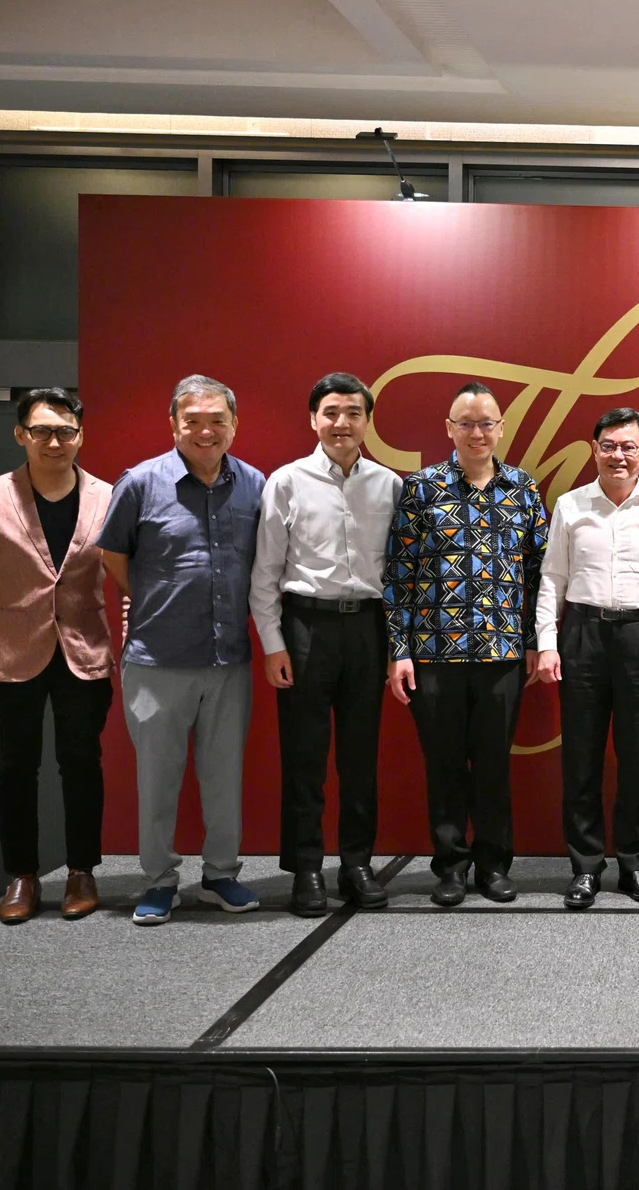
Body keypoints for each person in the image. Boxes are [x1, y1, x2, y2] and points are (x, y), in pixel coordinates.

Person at [96, 374, 265, 925]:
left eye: (218, 420)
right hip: (157, 658)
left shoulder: (255, 485)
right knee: (158, 777)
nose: (206, 430)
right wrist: (151, 602)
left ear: (234, 425)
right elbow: (113, 556)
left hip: (228, 658)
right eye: (193, 420)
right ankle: (159, 880)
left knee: (223, 776)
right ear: (174, 425)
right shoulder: (141, 483)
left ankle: (221, 874)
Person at [0, 388, 115, 923]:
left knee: (82, 765)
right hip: (10, 654)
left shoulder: (107, 497)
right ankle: (20, 876)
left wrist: (129, 648)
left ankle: (81, 871)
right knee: (15, 768)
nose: (54, 441)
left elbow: (129, 581)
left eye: (65, 431)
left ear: (80, 436)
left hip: (84, 653)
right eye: (41, 430)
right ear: (20, 435)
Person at [384, 381, 548, 908]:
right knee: (445, 763)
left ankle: (494, 865)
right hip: (434, 654)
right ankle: (451, 866)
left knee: (495, 764)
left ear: (501, 427)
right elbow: (398, 574)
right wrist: (399, 649)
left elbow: (539, 573)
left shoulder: (523, 488)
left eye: (486, 423)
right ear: (449, 429)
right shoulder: (422, 488)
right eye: (466, 423)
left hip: (502, 654)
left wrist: (532, 641)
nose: (477, 433)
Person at [249, 373, 400, 918]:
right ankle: (307, 868)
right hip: (305, 627)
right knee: (305, 757)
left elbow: (398, 574)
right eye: (331, 412)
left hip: (367, 627)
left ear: (367, 421)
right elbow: (265, 571)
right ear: (313, 419)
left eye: (354, 413)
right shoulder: (286, 482)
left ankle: (356, 862)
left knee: (361, 756)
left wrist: (393, 647)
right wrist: (273, 643)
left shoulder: (389, 484)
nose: (342, 423)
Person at [533, 407, 639, 909]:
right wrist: (548, 643)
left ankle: (636, 865)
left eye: (628, 446)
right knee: (582, 757)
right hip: (583, 634)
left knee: (638, 757)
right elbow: (552, 578)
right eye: (609, 445)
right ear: (594, 448)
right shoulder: (571, 507)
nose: (618, 455)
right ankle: (586, 867)